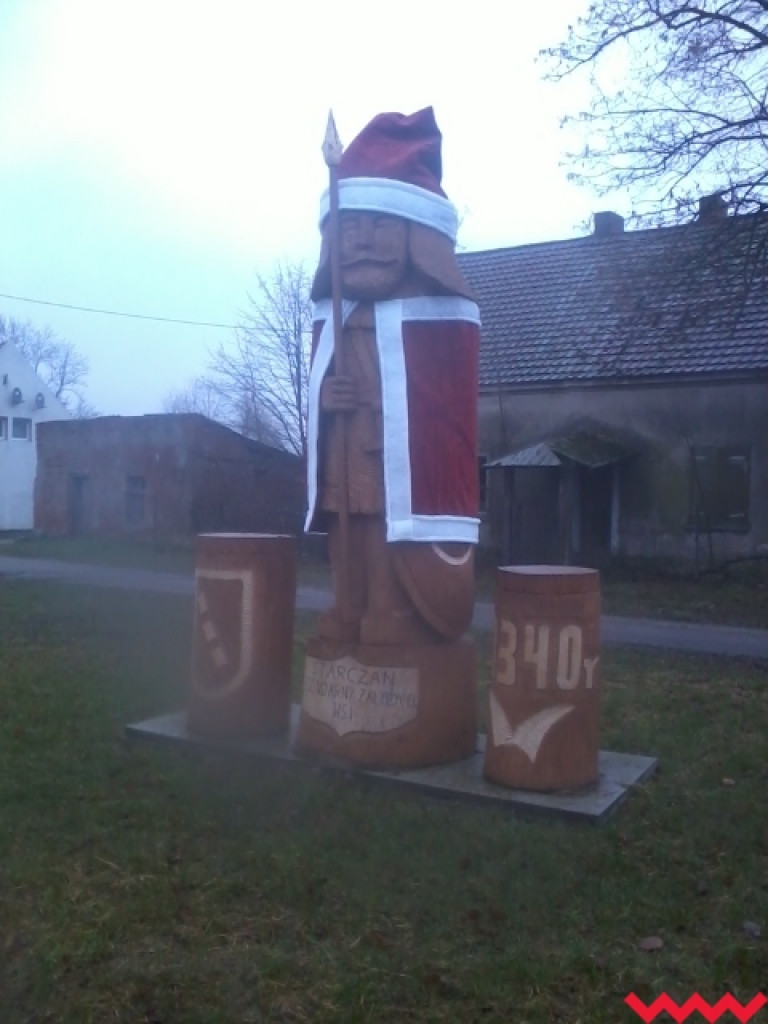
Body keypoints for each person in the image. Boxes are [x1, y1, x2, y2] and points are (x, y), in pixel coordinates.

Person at [305, 108, 481, 646]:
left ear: (415, 234)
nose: (360, 239)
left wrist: (387, 404)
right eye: (350, 226)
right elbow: (320, 382)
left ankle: (386, 608)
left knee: (385, 526)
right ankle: (347, 603)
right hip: (346, 443)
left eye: (378, 224)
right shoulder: (336, 314)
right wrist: (324, 397)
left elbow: (438, 399)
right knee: (344, 523)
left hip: (392, 452)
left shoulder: (442, 317)